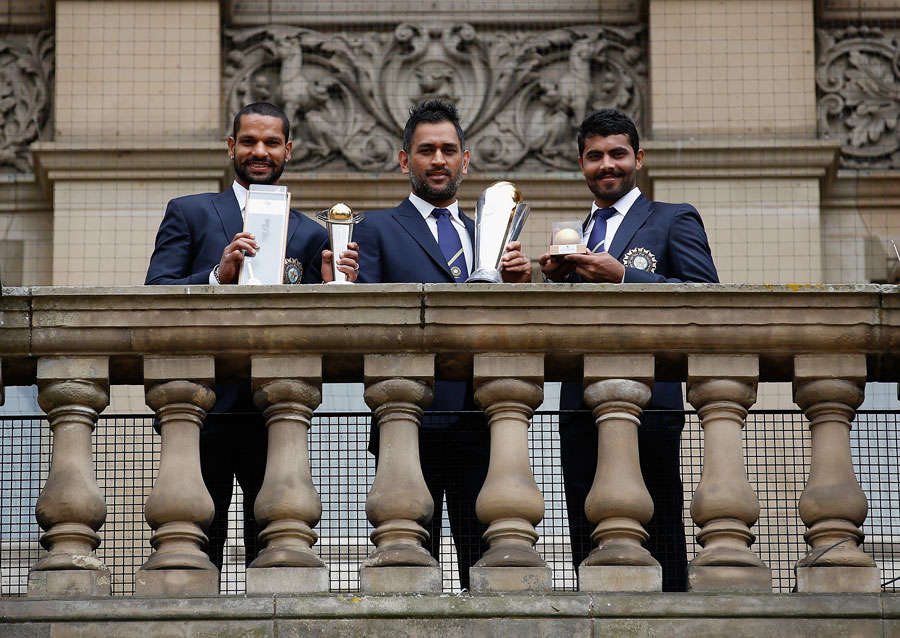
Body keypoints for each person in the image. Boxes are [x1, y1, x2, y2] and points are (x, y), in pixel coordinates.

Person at [145, 101, 358, 571]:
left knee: (278, 547)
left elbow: (313, 328)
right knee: (194, 548)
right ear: (231, 146)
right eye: (249, 141)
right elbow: (155, 293)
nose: (260, 151)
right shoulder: (190, 212)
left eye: (271, 142)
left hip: (276, 410)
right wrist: (217, 276)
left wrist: (330, 290)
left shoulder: (309, 232)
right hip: (201, 407)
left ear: (288, 150)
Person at [539, 108, 718, 591]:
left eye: (617, 153)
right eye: (594, 156)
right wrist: (549, 281)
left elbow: (707, 299)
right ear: (581, 164)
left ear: (638, 158)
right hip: (578, 402)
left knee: (657, 522)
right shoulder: (577, 234)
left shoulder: (671, 219)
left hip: (651, 402)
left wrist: (624, 275)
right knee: (585, 521)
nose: (606, 165)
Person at [355, 99, 532, 589]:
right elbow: (365, 325)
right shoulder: (374, 229)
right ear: (404, 159)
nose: (438, 160)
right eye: (426, 150)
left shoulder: (487, 235)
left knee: (490, 564)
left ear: (465, 159)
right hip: (411, 421)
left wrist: (520, 286)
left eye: (448, 150)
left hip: (484, 422)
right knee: (410, 569)